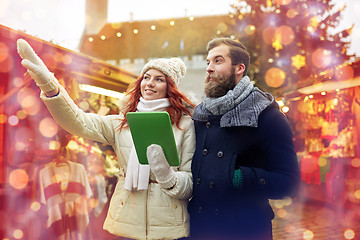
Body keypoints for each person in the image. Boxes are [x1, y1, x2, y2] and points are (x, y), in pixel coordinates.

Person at [17, 38, 196, 240]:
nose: (150, 83)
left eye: (159, 79)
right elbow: (78, 121)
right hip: (124, 224)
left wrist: (168, 176)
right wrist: (49, 84)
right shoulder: (122, 122)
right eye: (146, 77)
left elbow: (191, 183)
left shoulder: (185, 125)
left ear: (170, 87)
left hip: (168, 227)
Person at [188, 37, 301, 240]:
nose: (209, 68)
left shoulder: (268, 115)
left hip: (245, 229)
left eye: (218, 61)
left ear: (239, 68)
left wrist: (239, 178)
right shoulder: (200, 115)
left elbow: (289, 182)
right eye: (208, 62)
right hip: (200, 228)